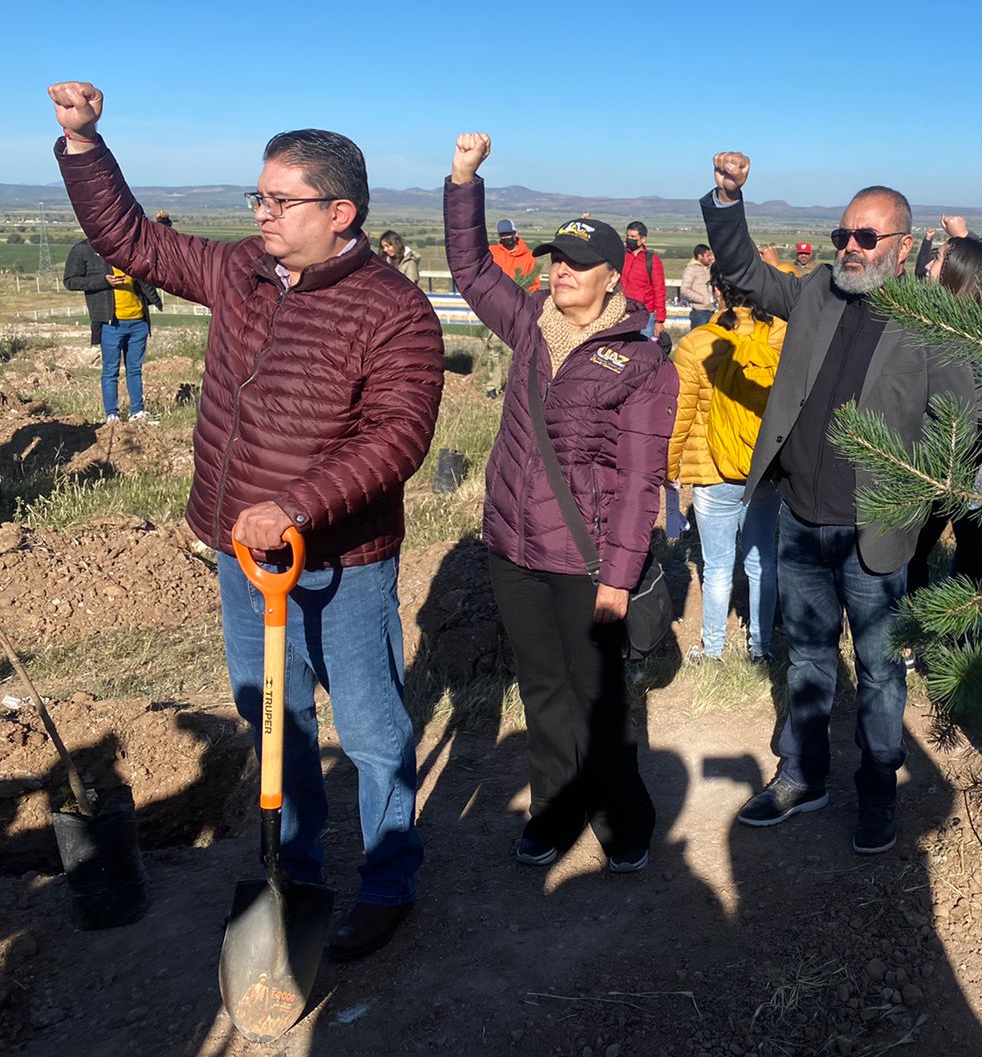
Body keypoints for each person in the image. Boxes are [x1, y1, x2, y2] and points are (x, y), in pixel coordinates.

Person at [48, 81, 444, 960]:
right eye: (256, 198)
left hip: (342, 562)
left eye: (279, 200)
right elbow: (131, 241)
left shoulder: (393, 310)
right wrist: (84, 144)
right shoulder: (240, 272)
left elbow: (400, 437)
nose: (260, 214)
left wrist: (297, 506)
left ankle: (388, 879)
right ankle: (294, 871)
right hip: (243, 555)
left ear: (340, 212)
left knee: (374, 732)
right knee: (274, 718)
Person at [700, 147, 982, 856]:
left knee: (883, 669)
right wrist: (729, 202)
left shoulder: (932, 324)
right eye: (842, 236)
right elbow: (741, 273)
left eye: (865, 238)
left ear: (904, 245)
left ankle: (877, 793)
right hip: (800, 517)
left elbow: (970, 420)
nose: (849, 249)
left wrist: (925, 492)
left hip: (876, 532)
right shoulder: (816, 293)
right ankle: (803, 777)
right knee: (807, 657)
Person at [446, 133, 674, 875]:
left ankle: (620, 814)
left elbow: (641, 480)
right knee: (542, 690)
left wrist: (618, 578)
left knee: (599, 698)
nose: (562, 272)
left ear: (614, 276)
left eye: (578, 264)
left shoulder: (640, 360)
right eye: (556, 259)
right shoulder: (527, 326)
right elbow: (472, 269)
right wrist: (463, 180)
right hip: (513, 548)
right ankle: (553, 811)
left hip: (585, 559)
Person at [668, 265, 786, 662]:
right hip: (766, 469)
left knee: (717, 566)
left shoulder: (697, 344)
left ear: (717, 292)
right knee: (762, 560)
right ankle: (762, 648)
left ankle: (713, 647)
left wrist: (668, 473)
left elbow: (680, 415)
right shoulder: (783, 337)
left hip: (712, 471)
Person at [906, 235, 982, 595]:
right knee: (970, 543)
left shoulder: (950, 333)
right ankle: (960, 627)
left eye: (937, 259)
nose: (928, 266)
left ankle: (917, 625)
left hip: (951, 454)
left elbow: (956, 408)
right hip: (976, 454)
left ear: (956, 272)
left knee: (915, 550)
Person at [63, 234, 162, 424]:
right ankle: (112, 416)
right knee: (110, 370)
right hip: (110, 323)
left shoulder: (130, 247)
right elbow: (70, 281)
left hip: (139, 321)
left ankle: (137, 412)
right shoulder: (84, 250)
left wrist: (164, 225)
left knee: (135, 369)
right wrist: (104, 281)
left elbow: (155, 248)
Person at [622, 220, 667, 338]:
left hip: (645, 315)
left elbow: (659, 290)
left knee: (643, 351)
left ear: (642, 239)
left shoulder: (652, 261)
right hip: (622, 312)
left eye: (633, 237)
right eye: (627, 236)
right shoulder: (622, 256)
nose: (629, 239)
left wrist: (660, 320)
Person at [489, 218, 539, 287]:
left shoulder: (529, 257)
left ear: (515, 233)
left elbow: (533, 284)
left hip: (519, 296)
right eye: (502, 234)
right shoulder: (491, 252)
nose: (505, 237)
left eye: (508, 234)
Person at [681, 243, 717, 328]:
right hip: (699, 312)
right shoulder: (691, 269)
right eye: (708, 255)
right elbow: (685, 290)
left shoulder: (709, 269)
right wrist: (703, 299)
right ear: (700, 256)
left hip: (711, 310)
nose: (711, 258)